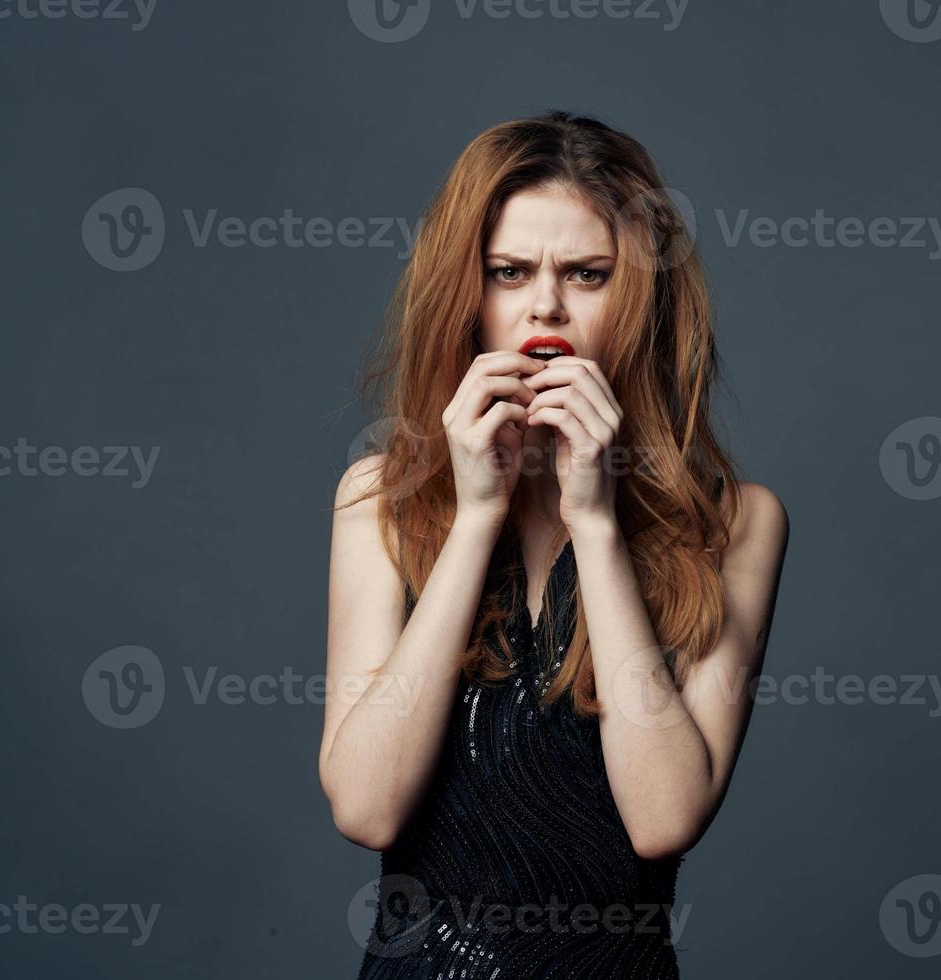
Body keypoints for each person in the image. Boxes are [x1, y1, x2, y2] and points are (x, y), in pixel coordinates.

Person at [320, 111, 789, 978]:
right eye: (508, 272)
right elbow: (366, 807)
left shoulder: (736, 523)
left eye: (586, 274)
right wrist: (473, 521)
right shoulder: (378, 501)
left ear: (641, 297)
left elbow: (664, 819)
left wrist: (598, 525)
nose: (544, 305)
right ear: (467, 295)